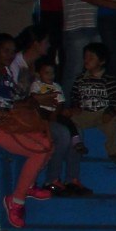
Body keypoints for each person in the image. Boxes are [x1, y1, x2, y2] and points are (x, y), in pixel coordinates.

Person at [0, 35, 53, 230]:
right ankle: (16, 201)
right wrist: (23, 103)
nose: (9, 55)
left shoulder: (5, 72)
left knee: (47, 142)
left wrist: (29, 85)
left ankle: (28, 185)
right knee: (40, 149)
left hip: (8, 122)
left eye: (12, 51)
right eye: (5, 50)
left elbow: (19, 95)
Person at [27, 54, 87, 195]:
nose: (50, 75)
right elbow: (33, 99)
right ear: (39, 73)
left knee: (78, 131)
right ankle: (52, 179)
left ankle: (72, 179)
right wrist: (47, 98)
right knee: (63, 134)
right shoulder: (36, 85)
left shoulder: (56, 86)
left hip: (54, 116)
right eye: (46, 72)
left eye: (52, 73)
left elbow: (59, 102)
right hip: (40, 118)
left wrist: (54, 108)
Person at [67, 42, 116, 163]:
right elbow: (74, 95)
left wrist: (109, 112)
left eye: (91, 57)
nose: (86, 60)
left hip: (102, 114)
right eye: (85, 57)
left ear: (101, 61)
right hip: (84, 113)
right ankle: (76, 143)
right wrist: (75, 106)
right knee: (69, 118)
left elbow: (115, 99)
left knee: (112, 123)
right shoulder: (80, 79)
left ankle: (112, 149)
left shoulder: (108, 79)